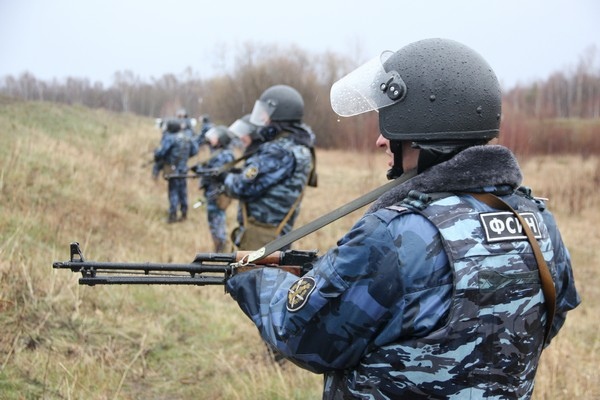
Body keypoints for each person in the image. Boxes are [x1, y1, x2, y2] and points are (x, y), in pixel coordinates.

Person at [225, 38, 581, 399]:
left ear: (422, 125)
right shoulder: (535, 217)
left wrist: (255, 279)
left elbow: (302, 335)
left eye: (389, 124)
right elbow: (549, 318)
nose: (381, 140)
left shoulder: (397, 233)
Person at [222, 85, 317, 250]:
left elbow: (241, 186)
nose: (262, 119)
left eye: (265, 113)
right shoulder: (299, 146)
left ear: (278, 114)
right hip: (277, 237)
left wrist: (224, 178)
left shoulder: (279, 151)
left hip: (261, 238)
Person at [191, 125, 236, 252]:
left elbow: (217, 173)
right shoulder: (218, 152)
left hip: (217, 193)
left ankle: (221, 247)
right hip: (212, 191)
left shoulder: (225, 155)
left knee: (217, 220)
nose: (212, 139)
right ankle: (218, 245)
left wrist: (201, 171)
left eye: (215, 137)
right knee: (213, 220)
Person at [153, 118, 199, 223]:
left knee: (173, 191)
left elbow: (162, 152)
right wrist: (185, 158)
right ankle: (184, 213)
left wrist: (157, 153)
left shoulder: (171, 138)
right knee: (183, 191)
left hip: (173, 169)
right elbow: (195, 150)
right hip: (183, 169)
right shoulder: (187, 138)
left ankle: (172, 215)